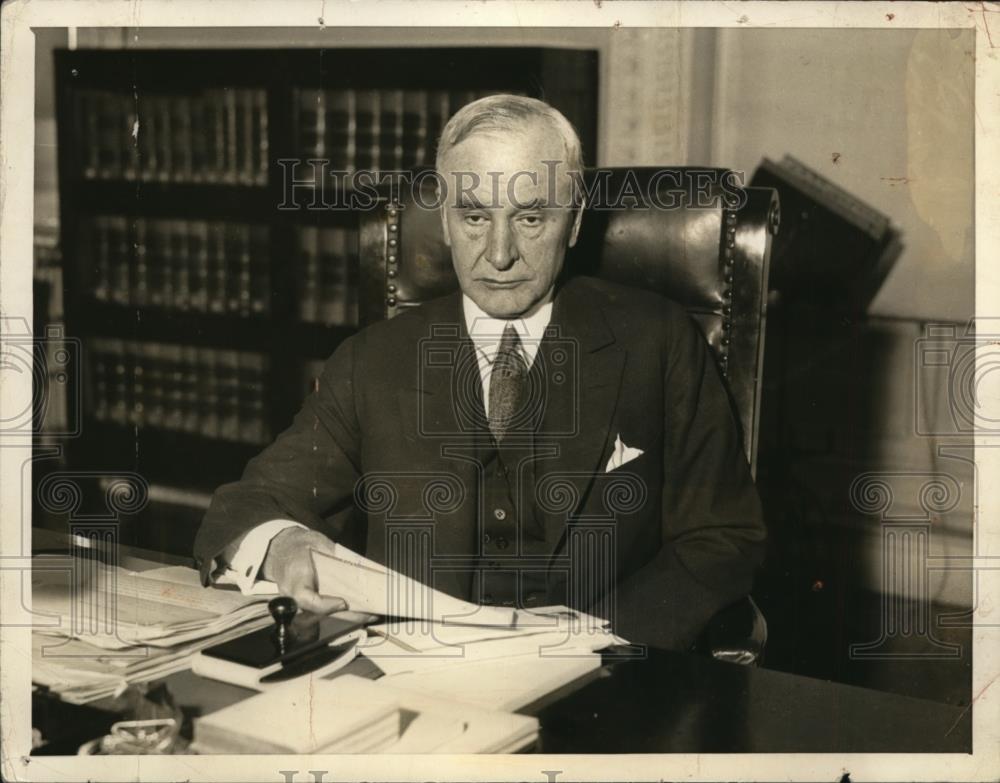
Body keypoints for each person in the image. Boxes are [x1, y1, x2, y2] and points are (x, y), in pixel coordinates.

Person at [193, 95, 766, 651]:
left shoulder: (657, 341)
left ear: (573, 222)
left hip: (603, 674)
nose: (498, 254)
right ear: (443, 219)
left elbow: (723, 536)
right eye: (473, 217)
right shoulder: (374, 359)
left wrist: (596, 644)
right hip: (422, 682)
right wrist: (286, 545)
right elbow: (248, 505)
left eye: (531, 218)